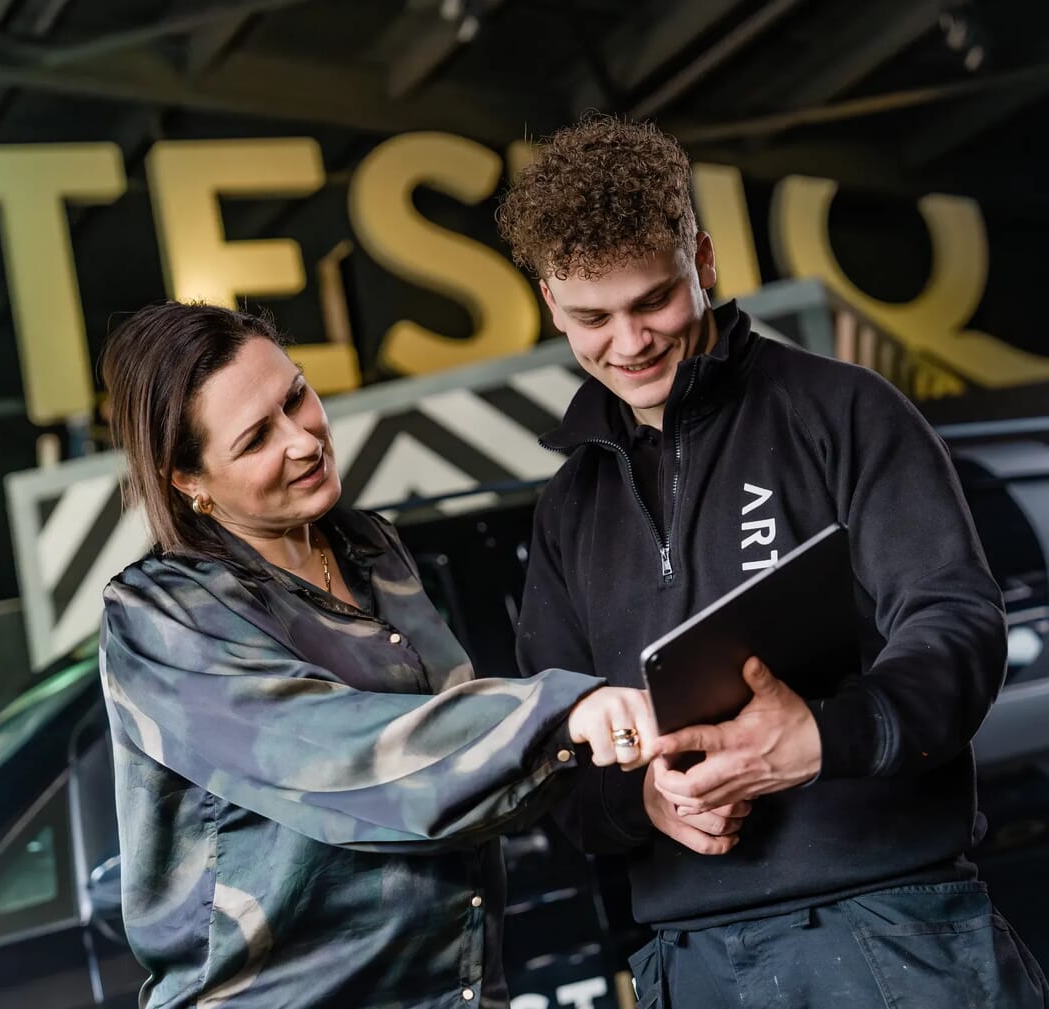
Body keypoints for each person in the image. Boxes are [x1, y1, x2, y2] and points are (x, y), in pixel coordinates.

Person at [497, 116, 1047, 1007]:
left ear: (702, 262)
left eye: (654, 301)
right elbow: (552, 752)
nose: (630, 342)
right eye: (593, 317)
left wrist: (822, 737)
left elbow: (958, 624)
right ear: (552, 306)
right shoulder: (570, 508)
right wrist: (644, 805)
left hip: (894, 932)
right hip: (691, 962)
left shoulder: (844, 411)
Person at [96, 301, 656, 1009]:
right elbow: (340, 755)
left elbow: (464, 767)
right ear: (188, 479)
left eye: (296, 396)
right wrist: (562, 709)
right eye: (256, 438)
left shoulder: (370, 549)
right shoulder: (160, 616)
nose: (303, 440)